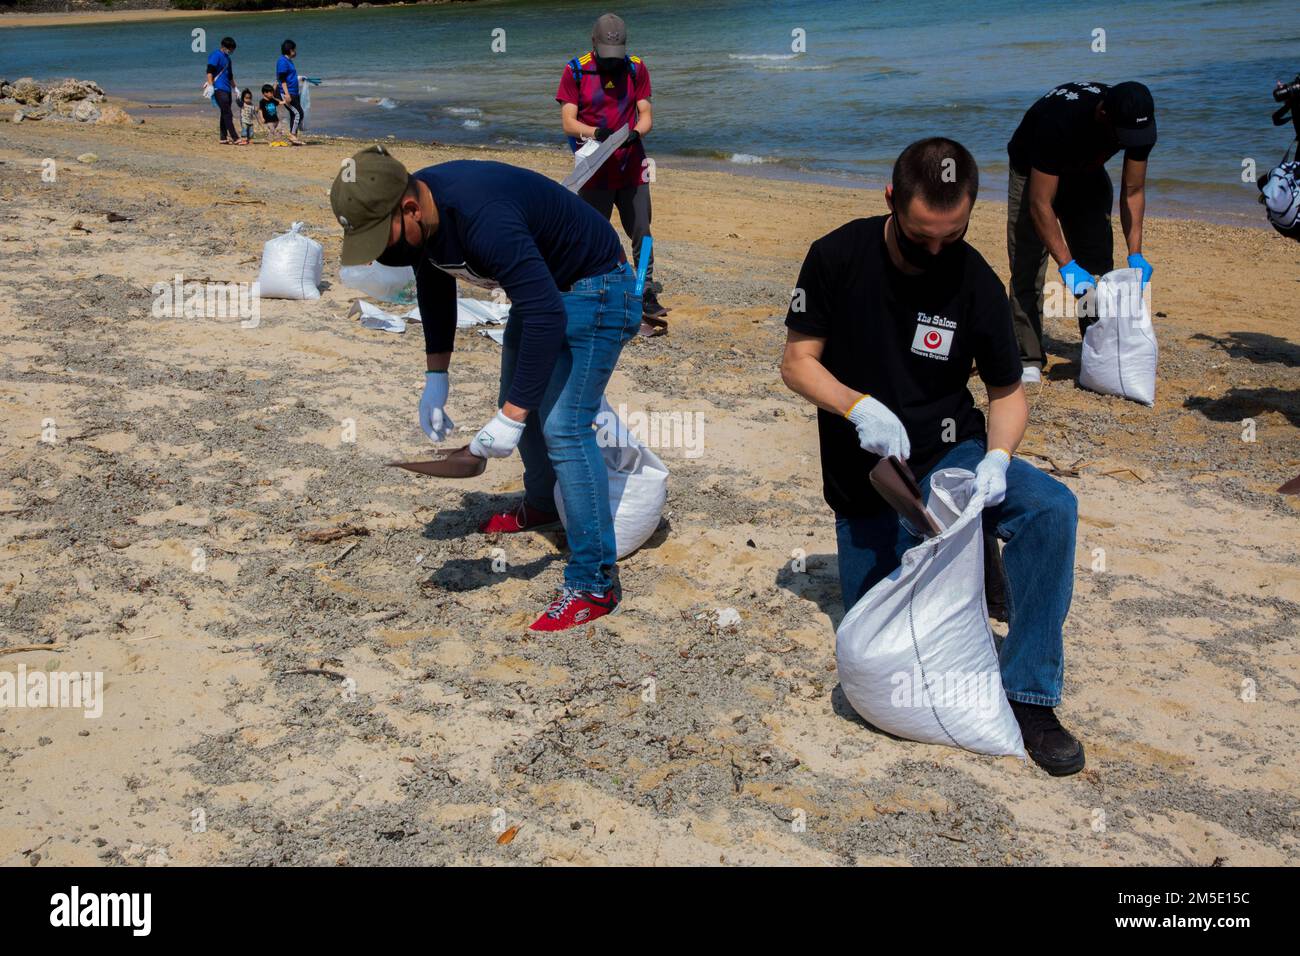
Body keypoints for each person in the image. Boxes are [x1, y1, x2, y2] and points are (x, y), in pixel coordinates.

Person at [781, 137, 1085, 776]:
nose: (938, 251)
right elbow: (797, 363)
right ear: (891, 199)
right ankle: (972, 559)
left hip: (953, 453)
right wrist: (857, 407)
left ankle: (1029, 692)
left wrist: (999, 456)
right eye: (923, 237)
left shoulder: (974, 280)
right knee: (878, 636)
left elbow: (1007, 394)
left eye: (954, 233)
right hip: (868, 475)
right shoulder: (835, 257)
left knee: (1052, 506)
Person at [330, 146, 641, 631]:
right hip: (545, 291)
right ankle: (541, 504)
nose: (381, 252)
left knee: (564, 426)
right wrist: (437, 377)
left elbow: (544, 314)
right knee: (516, 397)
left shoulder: (482, 216)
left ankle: (595, 583)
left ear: (409, 207)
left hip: (597, 288)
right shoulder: (422, 224)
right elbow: (435, 286)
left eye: (380, 236)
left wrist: (512, 419)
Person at [1006, 81, 1157, 383]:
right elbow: (1040, 203)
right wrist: (1066, 264)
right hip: (1033, 168)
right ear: (1103, 114)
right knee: (1028, 261)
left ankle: (1097, 346)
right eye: (1121, 136)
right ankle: (1029, 357)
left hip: (1086, 170)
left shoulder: (1137, 120)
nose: (1127, 142)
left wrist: (1136, 252)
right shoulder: (1059, 123)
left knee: (1097, 262)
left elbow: (1133, 189)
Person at [557, 12, 667, 336]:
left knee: (642, 231)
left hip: (633, 166)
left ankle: (644, 290)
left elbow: (646, 114)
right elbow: (568, 121)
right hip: (594, 170)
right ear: (594, 43)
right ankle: (586, 287)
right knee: (591, 232)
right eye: (606, 57)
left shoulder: (636, 67)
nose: (611, 63)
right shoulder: (575, 70)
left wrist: (636, 133)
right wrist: (594, 132)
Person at [204, 36, 238, 146]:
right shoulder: (216, 55)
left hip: (227, 88)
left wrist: (235, 88)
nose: (232, 51)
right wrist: (210, 85)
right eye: (230, 49)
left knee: (224, 113)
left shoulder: (228, 59)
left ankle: (223, 138)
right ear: (224, 47)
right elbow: (210, 71)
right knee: (228, 113)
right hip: (218, 88)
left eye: (233, 49)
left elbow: (230, 76)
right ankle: (235, 137)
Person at [276, 39, 304, 145]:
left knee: (294, 114)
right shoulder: (282, 61)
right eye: (294, 49)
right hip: (288, 93)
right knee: (299, 113)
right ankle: (292, 135)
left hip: (294, 92)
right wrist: (287, 94)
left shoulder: (288, 61)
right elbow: (282, 79)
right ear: (290, 50)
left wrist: (299, 78)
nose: (295, 52)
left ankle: (294, 137)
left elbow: (289, 77)